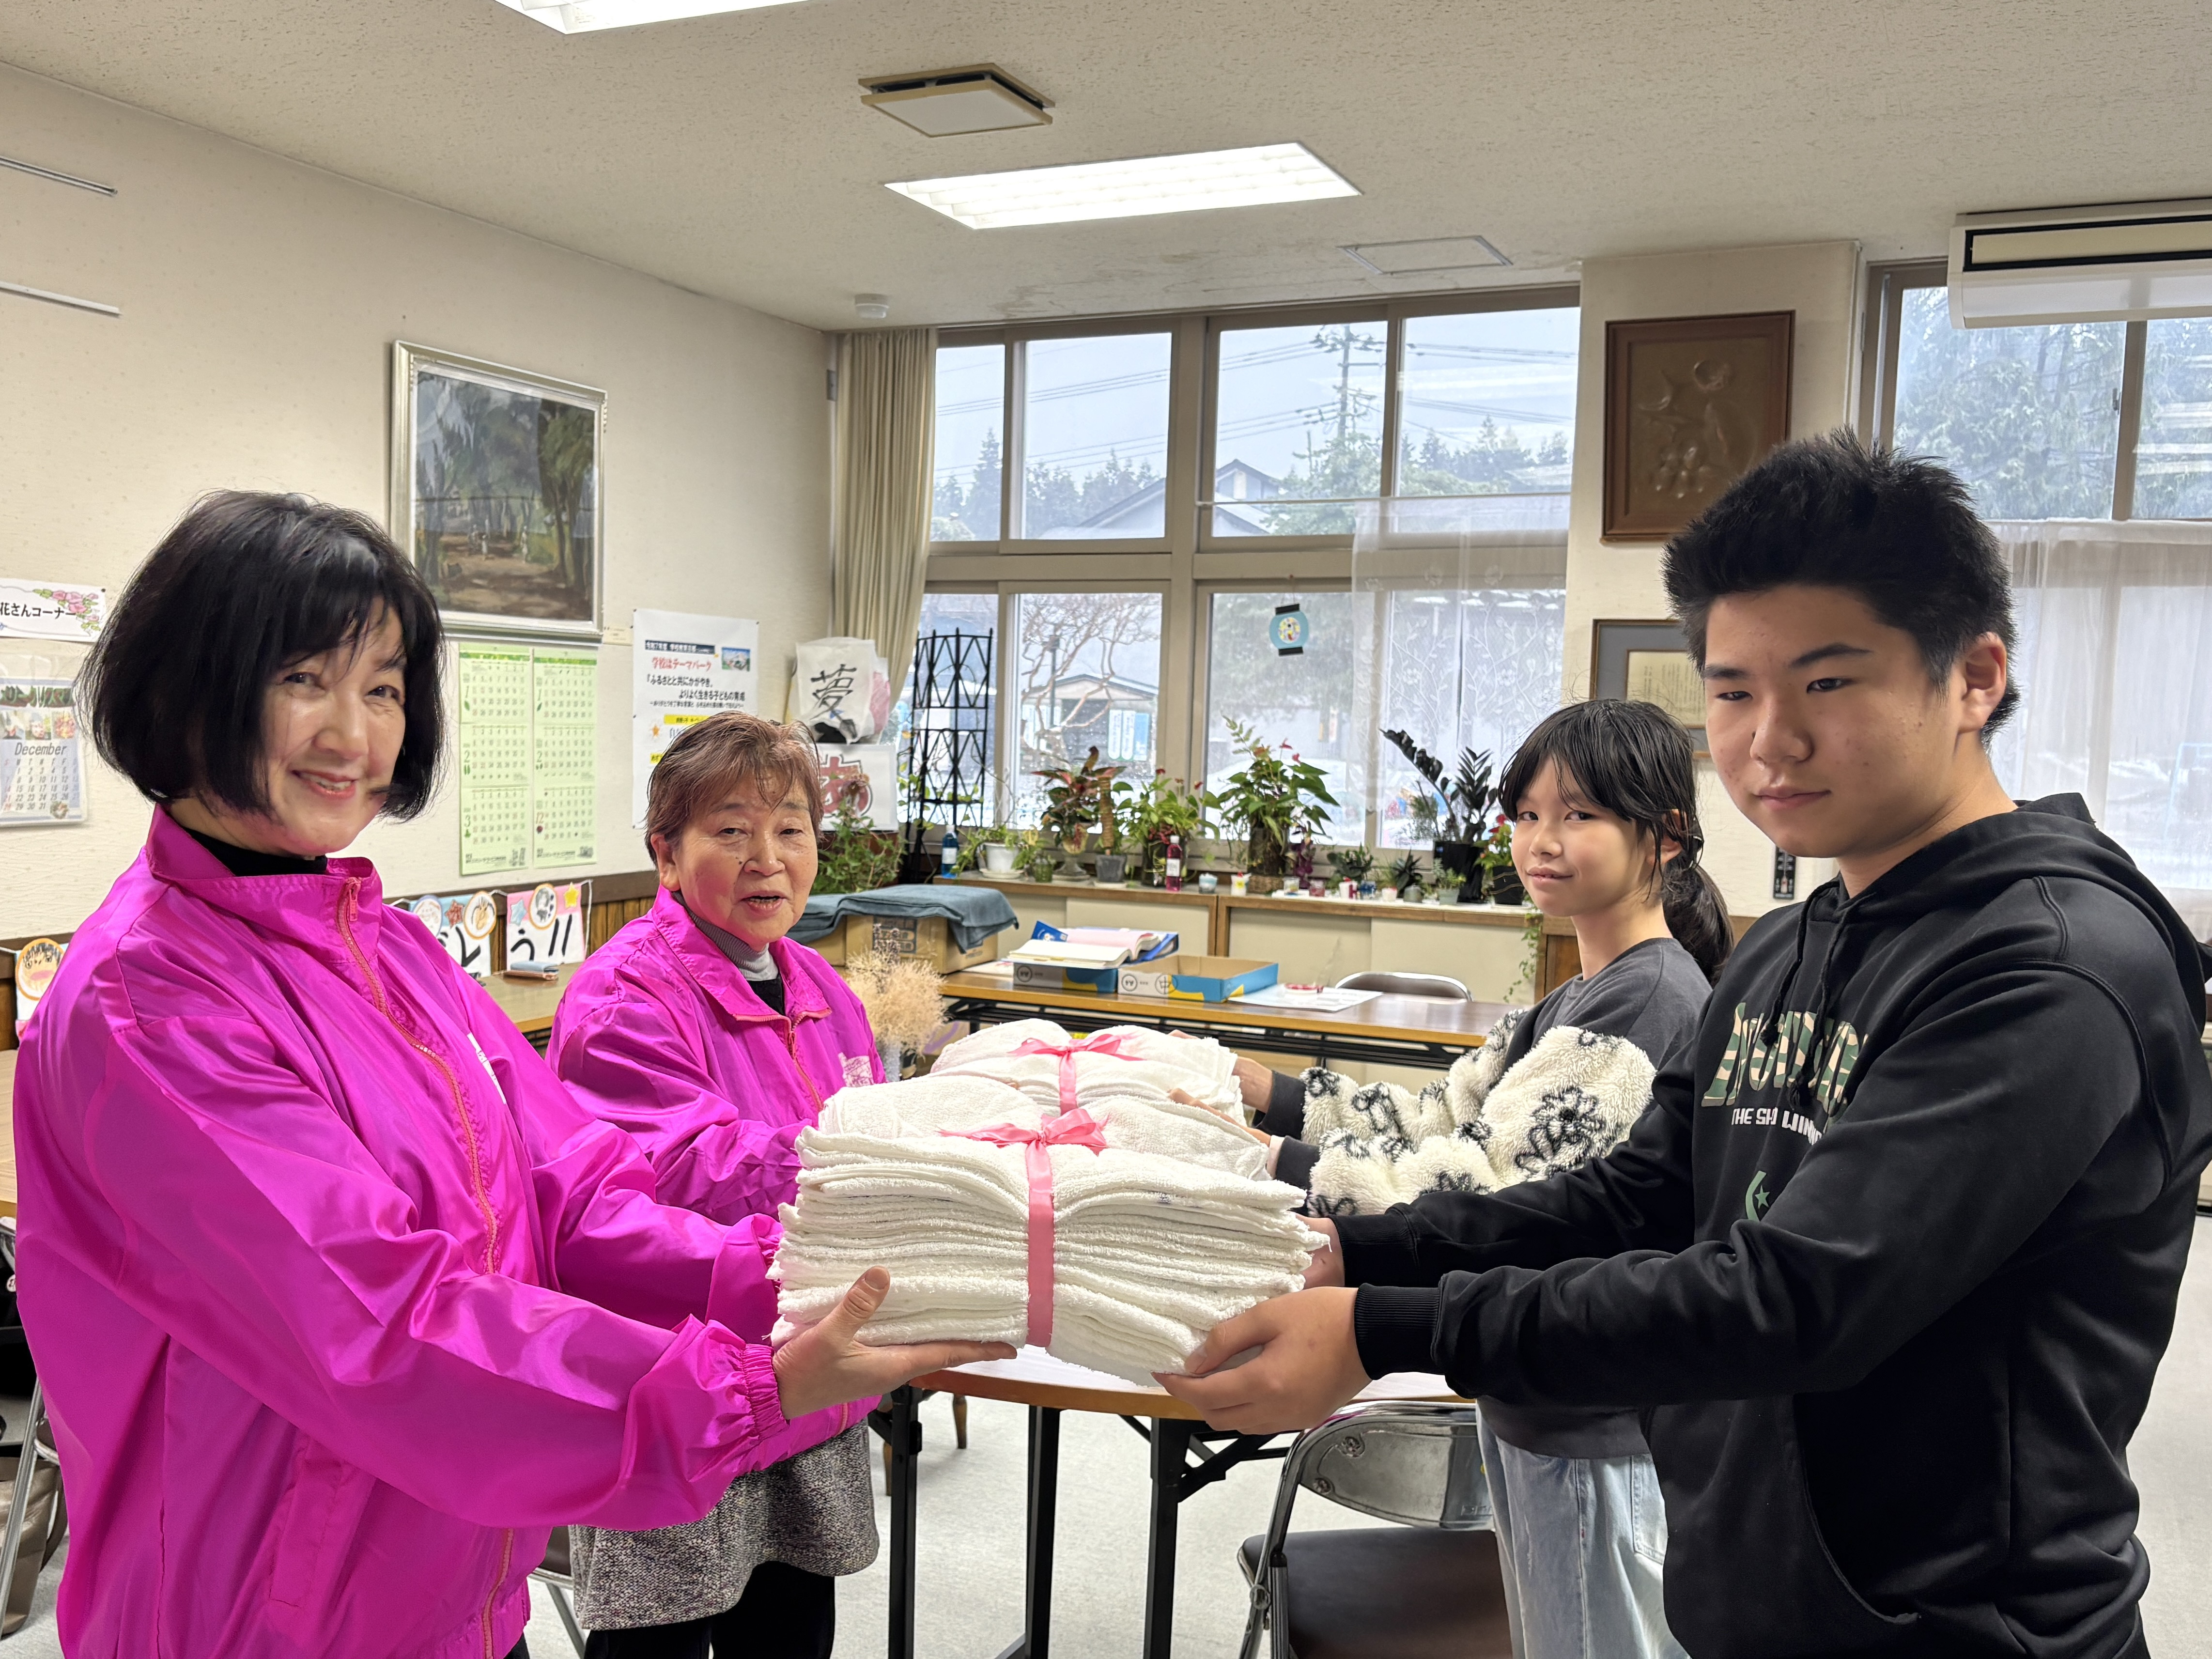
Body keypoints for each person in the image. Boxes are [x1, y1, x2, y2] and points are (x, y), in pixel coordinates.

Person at [1162, 434, 2212, 1659]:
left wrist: (1385, 1330)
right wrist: (1357, 1250)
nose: (1769, 740)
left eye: (1827, 683)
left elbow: (1797, 1299)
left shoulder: (2051, 970)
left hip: (1960, 1626)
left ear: (1974, 677)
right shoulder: (1789, 945)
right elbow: (1644, 1196)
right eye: (1731, 691)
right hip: (1756, 1588)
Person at [15, 492, 1010, 1659]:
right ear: (188, 688)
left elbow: (573, 1194)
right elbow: (383, 1327)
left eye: (383, 689)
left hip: (453, 1578)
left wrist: (804, 1272)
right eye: (303, 679)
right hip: (260, 1614)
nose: (353, 734)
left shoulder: (389, 950)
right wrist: (744, 1392)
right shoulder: (151, 1001)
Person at [1231, 698, 1725, 1659]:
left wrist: (1284, 1167)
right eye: (1527, 814)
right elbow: (1441, 1118)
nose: (1542, 840)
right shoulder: (1580, 990)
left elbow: (1484, 1186)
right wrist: (1278, 1098)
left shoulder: (1646, 1002)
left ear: (1664, 835)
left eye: (1578, 814)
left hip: (1589, 1417)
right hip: (1535, 1403)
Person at [547, 713, 880, 1659]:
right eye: (731, 831)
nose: (766, 859)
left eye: (790, 830)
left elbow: (868, 1119)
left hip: (804, 1364)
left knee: (791, 1632)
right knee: (657, 1637)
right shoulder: (625, 994)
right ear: (666, 853)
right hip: (685, 1380)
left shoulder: (820, 984)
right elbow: (688, 1166)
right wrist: (874, 1171)